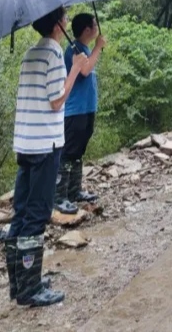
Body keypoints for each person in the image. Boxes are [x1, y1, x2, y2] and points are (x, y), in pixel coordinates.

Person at [4, 6, 82, 308]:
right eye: (65, 17)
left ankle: (20, 282)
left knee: (22, 211)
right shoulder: (53, 54)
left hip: (25, 143)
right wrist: (74, 69)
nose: (67, 21)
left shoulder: (30, 54)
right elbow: (56, 101)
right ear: (57, 24)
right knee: (37, 214)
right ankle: (31, 289)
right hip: (45, 145)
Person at [57, 12, 106, 206]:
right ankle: (60, 196)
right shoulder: (74, 50)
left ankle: (74, 191)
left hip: (87, 109)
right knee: (68, 153)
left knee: (78, 152)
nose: (97, 28)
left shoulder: (83, 48)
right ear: (87, 30)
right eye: (94, 25)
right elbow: (85, 70)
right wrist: (98, 47)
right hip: (74, 111)